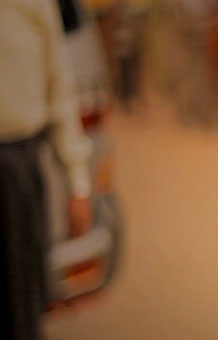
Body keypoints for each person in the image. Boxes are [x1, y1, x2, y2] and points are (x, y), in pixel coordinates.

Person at [1, 0, 93, 339]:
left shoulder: (33, 5)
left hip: (16, 173)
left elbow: (61, 93)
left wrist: (78, 186)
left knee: (21, 301)